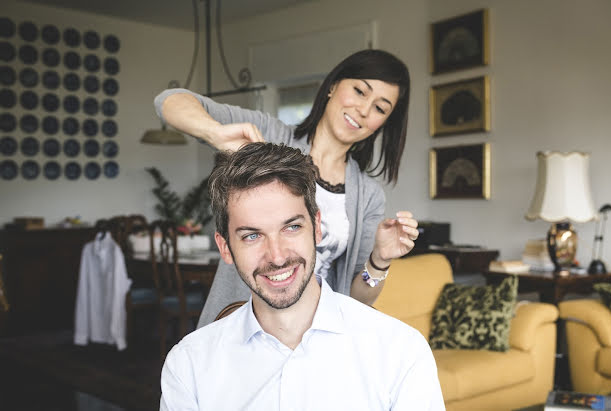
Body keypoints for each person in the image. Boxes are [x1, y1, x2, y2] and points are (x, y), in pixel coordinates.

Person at [160, 143, 445, 411]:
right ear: (225, 248)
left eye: (292, 227)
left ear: (317, 228)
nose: (277, 256)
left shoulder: (399, 351)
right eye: (252, 235)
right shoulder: (189, 365)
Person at [154, 49, 419, 326]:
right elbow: (169, 101)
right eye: (360, 91)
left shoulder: (368, 196)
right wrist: (214, 133)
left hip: (314, 342)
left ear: (384, 123)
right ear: (332, 86)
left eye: (380, 108)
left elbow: (357, 299)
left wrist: (380, 259)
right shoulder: (269, 137)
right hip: (238, 327)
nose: (364, 110)